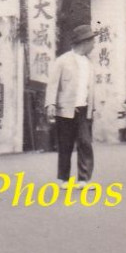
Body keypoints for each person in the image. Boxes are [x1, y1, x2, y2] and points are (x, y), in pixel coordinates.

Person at [45, 22, 97, 185]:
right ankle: (64, 178)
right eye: (92, 42)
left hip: (84, 109)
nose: (94, 45)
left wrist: (93, 107)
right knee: (65, 144)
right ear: (84, 42)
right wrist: (50, 104)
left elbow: (91, 88)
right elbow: (52, 84)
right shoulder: (63, 61)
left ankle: (83, 179)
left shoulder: (89, 63)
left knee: (85, 143)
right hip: (65, 109)